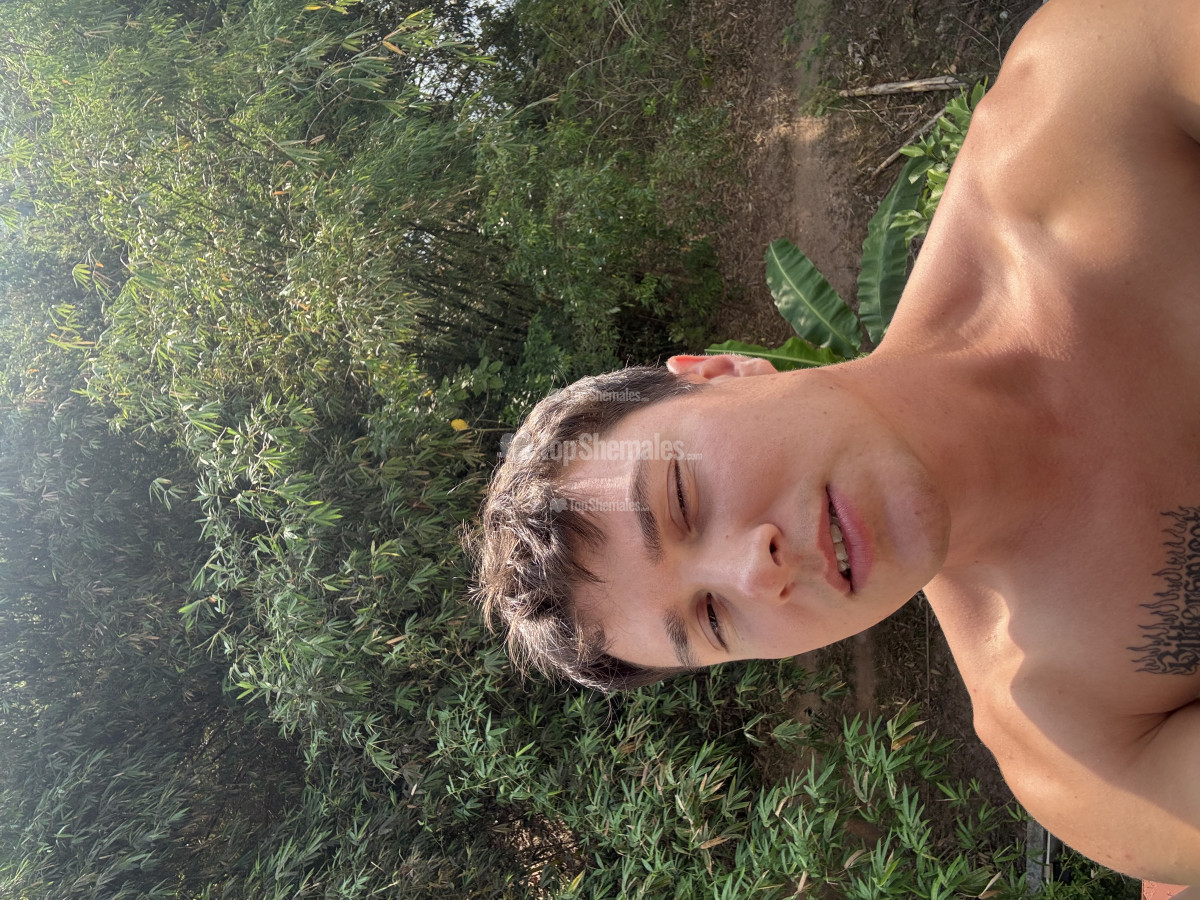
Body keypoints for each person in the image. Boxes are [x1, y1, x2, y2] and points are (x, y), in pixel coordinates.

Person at [472, 0, 1200, 888]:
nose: (757, 572)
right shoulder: (1077, 743)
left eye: (683, 501)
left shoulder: (1084, 120)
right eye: (712, 620)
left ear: (722, 373)